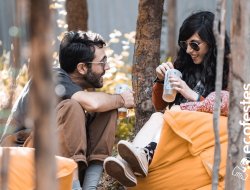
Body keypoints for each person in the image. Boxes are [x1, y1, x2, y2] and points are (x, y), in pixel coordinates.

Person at [103, 11, 230, 188]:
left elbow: (227, 108)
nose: (188, 51)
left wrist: (189, 93)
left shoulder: (230, 71)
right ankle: (128, 162)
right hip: (176, 128)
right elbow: (161, 106)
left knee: (172, 113)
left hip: (203, 133)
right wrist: (161, 81)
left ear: (213, 42)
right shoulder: (184, 64)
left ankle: (138, 158)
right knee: (158, 116)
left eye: (194, 45)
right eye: (184, 44)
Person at [0, 31, 135, 190]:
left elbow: (98, 105)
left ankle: (90, 187)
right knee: (73, 107)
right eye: (102, 62)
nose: (108, 67)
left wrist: (115, 102)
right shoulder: (52, 77)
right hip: (22, 161)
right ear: (82, 68)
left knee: (107, 109)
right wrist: (121, 99)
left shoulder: (73, 88)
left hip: (52, 160)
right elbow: (92, 103)